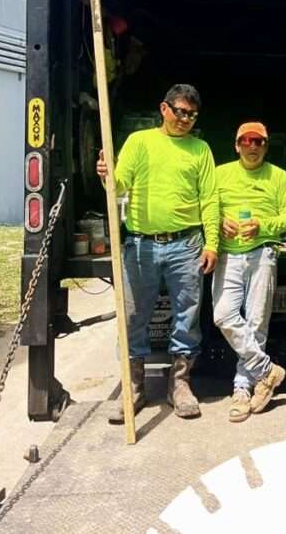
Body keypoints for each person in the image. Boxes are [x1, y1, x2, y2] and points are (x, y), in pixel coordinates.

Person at [96, 83, 219, 422]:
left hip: (187, 244)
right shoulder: (140, 142)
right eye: (180, 112)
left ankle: (179, 385)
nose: (186, 119)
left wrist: (212, 243)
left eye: (192, 115)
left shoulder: (201, 150)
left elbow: (209, 198)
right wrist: (108, 175)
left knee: (187, 317)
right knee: (134, 317)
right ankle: (133, 386)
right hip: (141, 244)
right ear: (164, 109)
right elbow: (119, 186)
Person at [213, 122, 286, 422]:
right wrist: (219, 220)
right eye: (246, 141)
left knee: (255, 324)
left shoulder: (278, 176)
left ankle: (242, 389)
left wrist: (263, 225)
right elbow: (205, 206)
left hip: (263, 253)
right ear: (236, 145)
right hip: (228, 253)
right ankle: (267, 371)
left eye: (259, 142)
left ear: (266, 145)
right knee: (222, 315)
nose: (253, 146)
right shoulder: (220, 173)